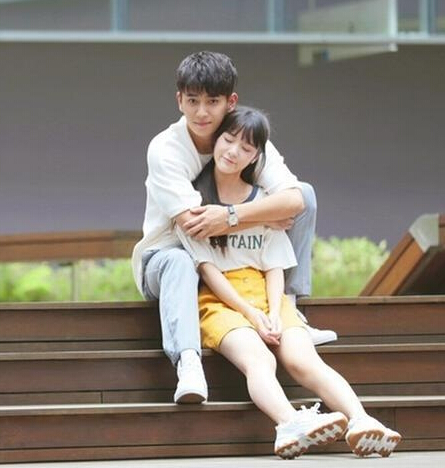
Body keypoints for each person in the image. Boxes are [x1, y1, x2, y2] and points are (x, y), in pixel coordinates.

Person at [175, 105, 402, 459]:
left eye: (246, 148)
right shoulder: (192, 202)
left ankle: (361, 420)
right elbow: (207, 271)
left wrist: (275, 312)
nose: (234, 152)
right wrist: (251, 313)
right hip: (220, 301)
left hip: (269, 294)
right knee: (259, 360)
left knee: (303, 360)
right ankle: (288, 423)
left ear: (256, 156)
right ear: (215, 140)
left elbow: (274, 267)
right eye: (229, 140)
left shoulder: (265, 202)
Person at [131, 51, 335, 405]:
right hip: (166, 259)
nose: (202, 112)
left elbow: (294, 200)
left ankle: (290, 309)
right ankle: (189, 364)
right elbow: (194, 224)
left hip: (233, 260)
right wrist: (263, 215)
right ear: (179, 100)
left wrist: (232, 216)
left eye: (213, 101)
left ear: (231, 102)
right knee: (179, 259)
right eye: (192, 101)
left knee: (307, 194)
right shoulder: (165, 149)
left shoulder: (243, 137)